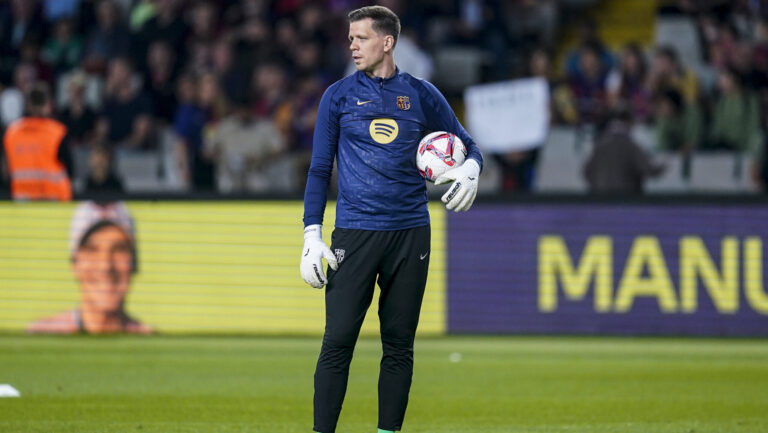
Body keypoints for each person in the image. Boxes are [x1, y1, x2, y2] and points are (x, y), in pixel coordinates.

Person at [300, 6, 483, 433]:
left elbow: (469, 145)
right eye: (350, 38)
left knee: (399, 345)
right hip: (354, 234)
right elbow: (319, 169)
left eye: (361, 38)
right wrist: (311, 233)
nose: (352, 45)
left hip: (410, 235)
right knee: (337, 342)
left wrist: (472, 168)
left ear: (387, 42)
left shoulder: (421, 94)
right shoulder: (337, 96)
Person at [28, 201, 150, 334]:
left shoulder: (150, 342)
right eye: (92, 250)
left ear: (134, 263)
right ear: (75, 264)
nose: (105, 266)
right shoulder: (43, 335)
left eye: (118, 249)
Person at [3, 82, 72, 201]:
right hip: (55, 199)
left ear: (27, 105)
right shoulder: (57, 132)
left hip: (22, 201)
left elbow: (5, 171)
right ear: (48, 105)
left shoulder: (11, 133)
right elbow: (70, 168)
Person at [583, 105, 664, 194]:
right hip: (626, 199)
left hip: (601, 198)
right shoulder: (631, 146)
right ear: (629, 122)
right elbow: (649, 170)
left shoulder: (599, 145)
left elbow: (587, 172)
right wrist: (664, 165)